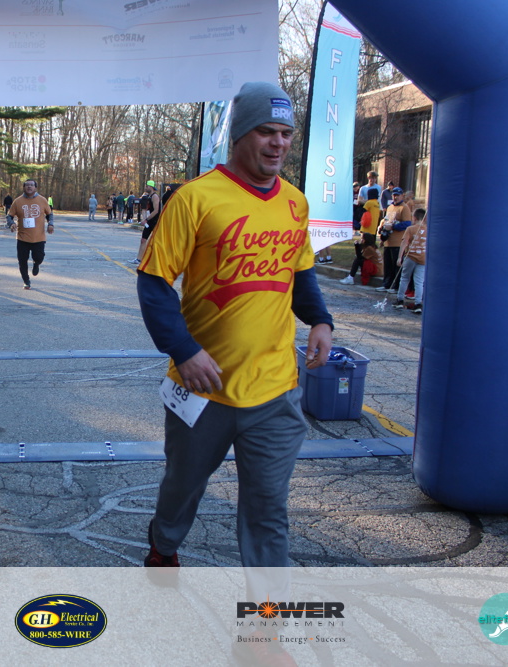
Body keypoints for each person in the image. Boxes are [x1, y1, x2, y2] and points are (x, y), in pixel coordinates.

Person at [136, 82, 333, 575]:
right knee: (182, 487)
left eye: (286, 133)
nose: (278, 143)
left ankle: (266, 617)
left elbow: (299, 271)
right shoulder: (195, 198)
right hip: (203, 387)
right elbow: (154, 282)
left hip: (274, 389)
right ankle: (163, 544)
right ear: (240, 135)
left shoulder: (295, 203)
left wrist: (320, 319)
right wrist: (183, 350)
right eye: (266, 131)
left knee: (268, 509)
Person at [8, 178, 54, 289]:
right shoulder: (18, 201)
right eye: (27, 185)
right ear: (24, 187)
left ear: (35, 188)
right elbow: (9, 216)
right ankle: (26, 281)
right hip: (22, 238)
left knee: (39, 257)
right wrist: (11, 223)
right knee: (22, 261)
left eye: (31, 185)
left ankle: (36, 263)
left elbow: (49, 214)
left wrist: (50, 224)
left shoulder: (42, 200)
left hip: (39, 237)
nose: (29, 187)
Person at [339, 190, 381, 285]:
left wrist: (361, 202)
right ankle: (351, 276)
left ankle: (351, 277)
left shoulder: (369, 203)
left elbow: (362, 210)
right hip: (373, 229)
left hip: (367, 227)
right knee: (364, 253)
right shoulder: (377, 204)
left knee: (359, 257)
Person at [376, 186, 413, 293]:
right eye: (394, 195)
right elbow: (386, 220)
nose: (395, 197)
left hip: (398, 242)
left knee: (395, 265)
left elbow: (407, 224)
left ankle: (395, 286)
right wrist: (383, 235)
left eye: (397, 195)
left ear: (402, 196)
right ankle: (386, 284)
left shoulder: (404, 208)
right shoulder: (390, 207)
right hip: (388, 241)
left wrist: (393, 227)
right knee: (387, 265)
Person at [393, 207, 427, 314]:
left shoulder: (410, 229)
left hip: (410, 256)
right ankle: (418, 303)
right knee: (419, 281)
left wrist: (400, 257)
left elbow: (404, 243)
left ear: (414, 218)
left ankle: (400, 300)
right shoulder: (428, 230)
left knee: (404, 278)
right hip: (423, 259)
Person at [130, 180, 161, 264]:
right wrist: (144, 219)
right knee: (143, 240)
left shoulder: (155, 196)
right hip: (149, 221)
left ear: (151, 187)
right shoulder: (148, 196)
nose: (145, 188)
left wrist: (146, 219)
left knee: (157, 241)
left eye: (147, 186)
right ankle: (139, 259)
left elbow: (156, 210)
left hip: (155, 221)